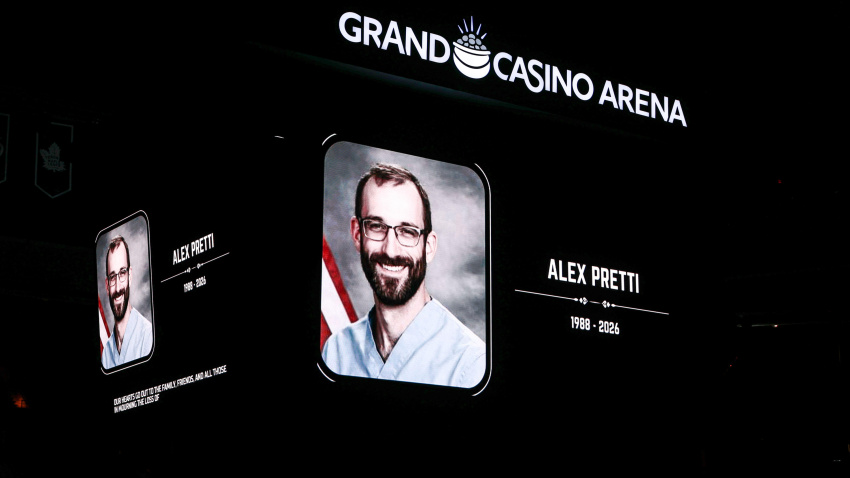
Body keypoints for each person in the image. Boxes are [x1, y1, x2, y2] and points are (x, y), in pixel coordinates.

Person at [322, 163, 485, 388]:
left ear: (429, 246)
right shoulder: (336, 351)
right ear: (358, 234)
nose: (390, 250)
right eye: (377, 226)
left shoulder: (471, 365)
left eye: (408, 231)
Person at [101, 236, 153, 369]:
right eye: (112, 277)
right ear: (107, 286)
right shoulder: (106, 353)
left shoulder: (147, 337)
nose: (118, 287)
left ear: (130, 276)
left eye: (122, 273)